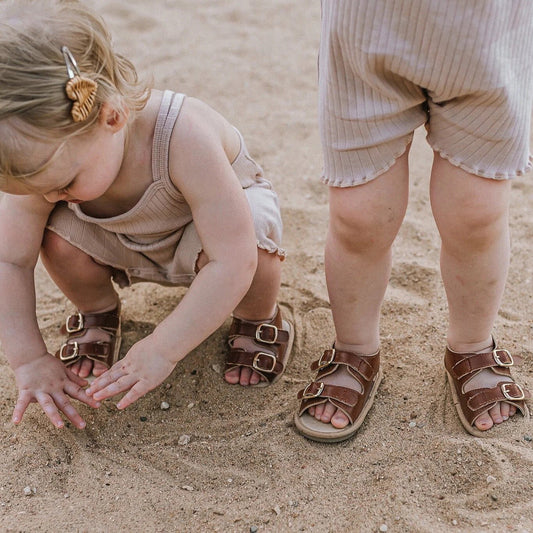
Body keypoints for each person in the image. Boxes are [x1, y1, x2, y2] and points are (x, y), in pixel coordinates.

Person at [0, 0, 293, 430]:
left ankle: (256, 318)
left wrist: (163, 348)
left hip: (208, 237)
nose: (48, 195)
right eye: (36, 189)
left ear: (111, 117)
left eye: (63, 184)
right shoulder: (52, 158)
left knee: (253, 238)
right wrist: (28, 358)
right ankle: (99, 310)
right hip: (119, 239)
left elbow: (234, 259)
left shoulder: (182, 135)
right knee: (53, 235)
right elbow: (10, 259)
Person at [295, 0, 532, 442]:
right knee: (357, 217)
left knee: (476, 214)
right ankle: (355, 345)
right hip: (368, 34)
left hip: (489, 37)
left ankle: (471, 344)